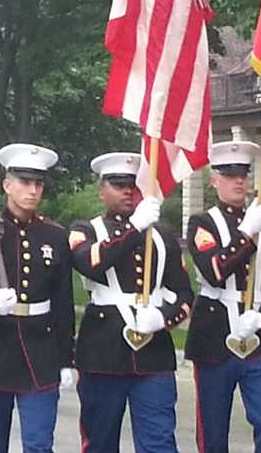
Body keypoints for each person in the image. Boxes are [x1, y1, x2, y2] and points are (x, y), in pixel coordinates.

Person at [0, 143, 74, 453]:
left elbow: (63, 304)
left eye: (38, 183)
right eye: (24, 182)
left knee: (39, 444)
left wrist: (66, 360)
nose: (32, 190)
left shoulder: (55, 236)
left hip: (41, 352)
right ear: (7, 185)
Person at [69, 152, 191, 453]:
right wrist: (134, 228)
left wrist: (164, 318)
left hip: (154, 354)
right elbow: (91, 263)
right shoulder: (85, 230)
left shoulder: (162, 236)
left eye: (133, 185)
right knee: (100, 441)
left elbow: (185, 295)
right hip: (103, 353)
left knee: (160, 442)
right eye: (118, 184)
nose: (127, 191)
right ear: (102, 190)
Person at [185, 129, 261, 453]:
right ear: (215, 180)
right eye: (229, 175)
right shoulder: (202, 223)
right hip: (214, 336)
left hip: (259, 338)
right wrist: (246, 233)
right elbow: (215, 272)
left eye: (243, 174)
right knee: (213, 430)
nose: (238, 182)